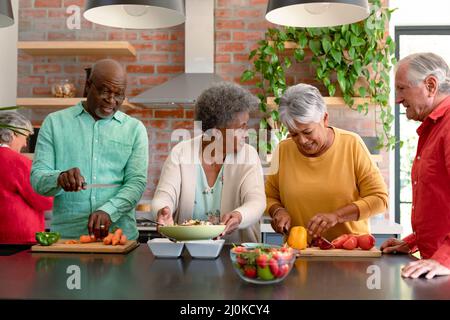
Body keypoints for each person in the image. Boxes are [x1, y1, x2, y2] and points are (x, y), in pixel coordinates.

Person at [31, 59, 148, 240]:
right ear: (88, 86)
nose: (111, 100)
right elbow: (38, 179)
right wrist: (59, 178)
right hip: (68, 240)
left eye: (119, 95)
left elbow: (136, 183)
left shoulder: (134, 129)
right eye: (105, 91)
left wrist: (109, 210)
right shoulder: (54, 123)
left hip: (118, 239)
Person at [266, 83, 388, 241]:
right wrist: (277, 212)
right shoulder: (284, 150)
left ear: (324, 118)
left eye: (307, 132)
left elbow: (379, 199)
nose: (302, 141)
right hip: (300, 252)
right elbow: (269, 196)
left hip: (349, 252)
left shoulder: (351, 144)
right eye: (294, 134)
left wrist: (337, 216)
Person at [151, 82, 266, 243]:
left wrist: (239, 216)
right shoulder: (181, 152)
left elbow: (257, 201)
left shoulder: (248, 155)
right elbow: (164, 196)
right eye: (241, 128)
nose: (246, 134)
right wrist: (163, 211)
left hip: (234, 253)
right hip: (186, 252)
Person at [381, 52, 450, 279]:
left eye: (402, 89)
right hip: (435, 266)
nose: (397, 99)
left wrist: (444, 259)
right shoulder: (433, 127)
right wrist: (412, 242)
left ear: (430, 85)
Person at [0, 112, 53, 244]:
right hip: (18, 237)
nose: (25, 144)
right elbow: (43, 199)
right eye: (25, 137)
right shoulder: (18, 162)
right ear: (13, 134)